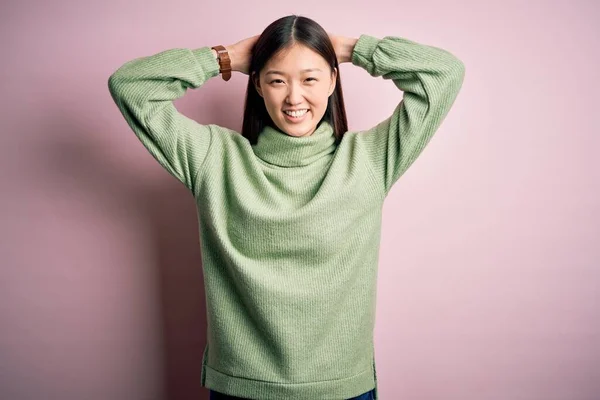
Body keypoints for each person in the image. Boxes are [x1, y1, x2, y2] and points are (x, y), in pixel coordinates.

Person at [108, 14, 464, 400]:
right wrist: (224, 58)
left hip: (341, 389)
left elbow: (443, 74)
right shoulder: (216, 158)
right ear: (257, 84)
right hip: (241, 388)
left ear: (333, 79)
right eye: (277, 79)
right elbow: (130, 87)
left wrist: (349, 49)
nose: (294, 97)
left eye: (310, 78)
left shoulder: (369, 159)